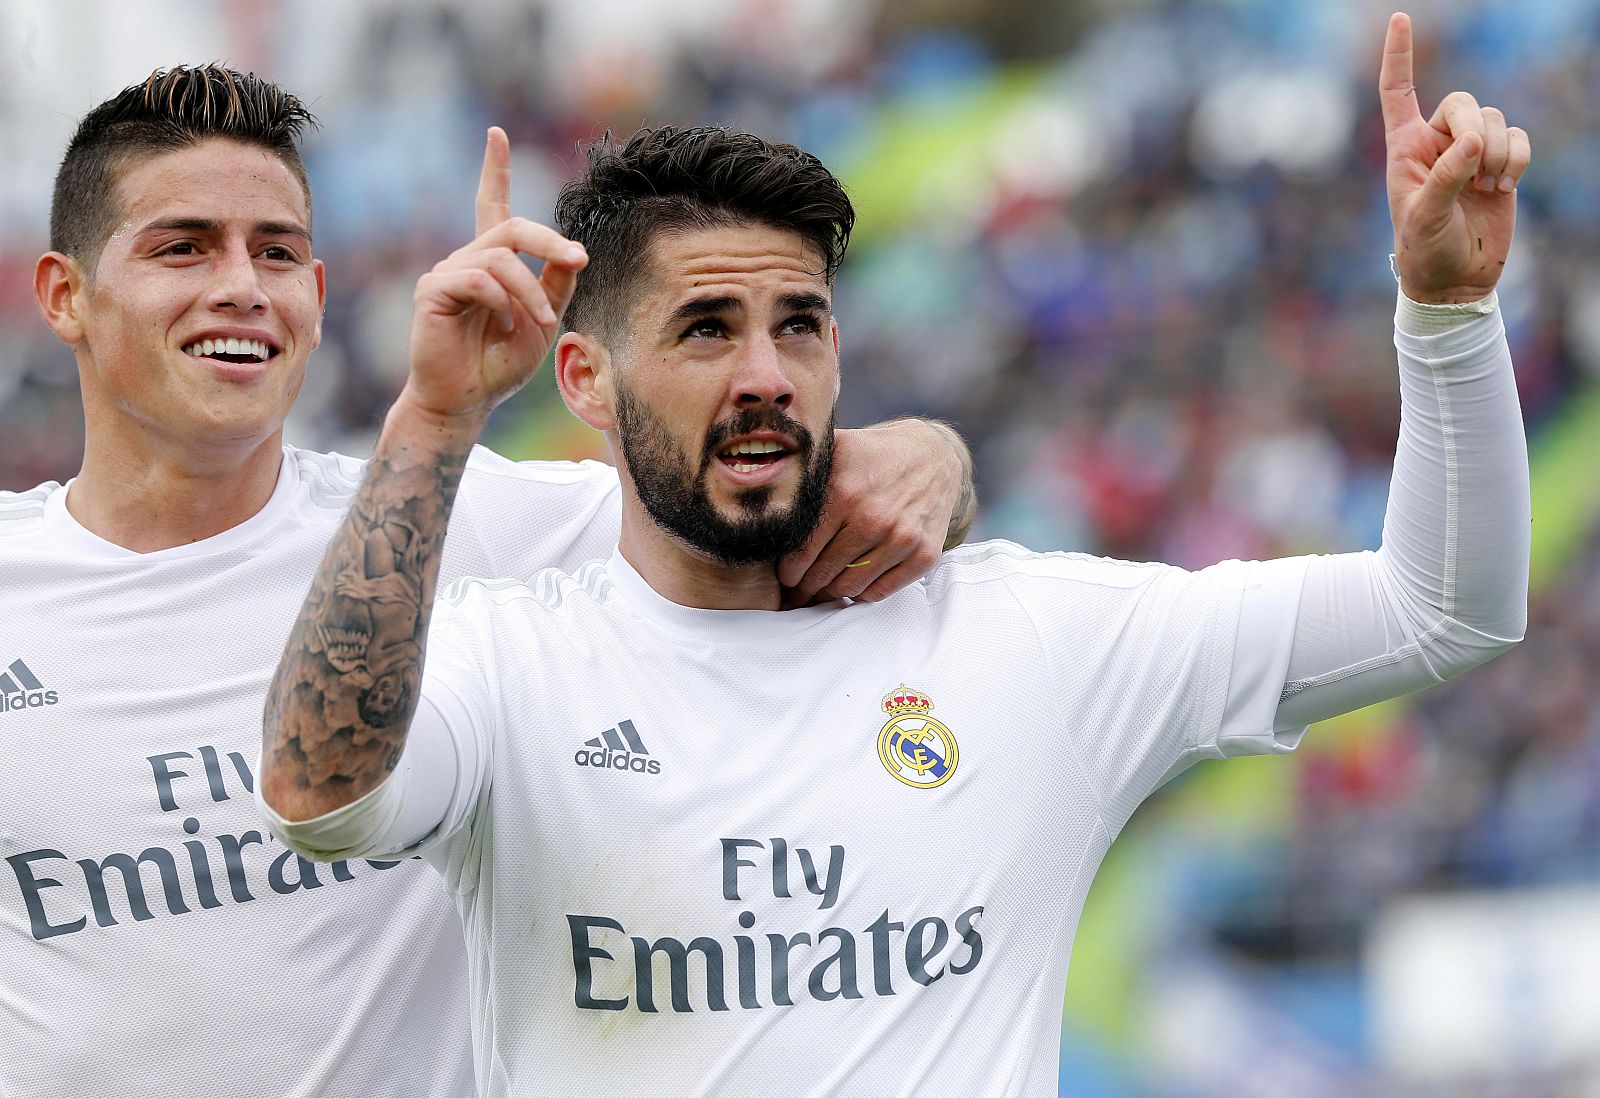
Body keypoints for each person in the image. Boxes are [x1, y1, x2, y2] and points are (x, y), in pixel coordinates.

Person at [262, 13, 1529, 1094]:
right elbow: (320, 798)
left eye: (798, 325)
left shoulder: (1027, 640)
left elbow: (1440, 609)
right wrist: (435, 418)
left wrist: (1449, 313)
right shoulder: (511, 662)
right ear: (585, 378)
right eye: (706, 328)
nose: (766, 373)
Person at [0, 66, 975, 1098]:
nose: (242, 285)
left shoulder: (476, 525)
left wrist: (933, 455)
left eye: (276, 252)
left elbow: (758, 499)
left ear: (317, 298)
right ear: (65, 294)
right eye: (183, 247)